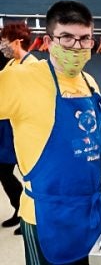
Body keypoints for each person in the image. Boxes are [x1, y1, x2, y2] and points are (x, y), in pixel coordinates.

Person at [0, 0, 101, 265]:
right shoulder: (23, 78)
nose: (76, 47)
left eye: (84, 39)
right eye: (66, 38)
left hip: (91, 211)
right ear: (49, 41)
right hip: (46, 215)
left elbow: (82, 133)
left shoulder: (90, 82)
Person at [0, 22, 38, 235]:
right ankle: (20, 210)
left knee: (28, 174)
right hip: (7, 128)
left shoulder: (32, 66)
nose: (1, 45)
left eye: (4, 40)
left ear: (16, 41)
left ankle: (28, 217)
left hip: (25, 130)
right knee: (4, 170)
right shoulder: (11, 64)